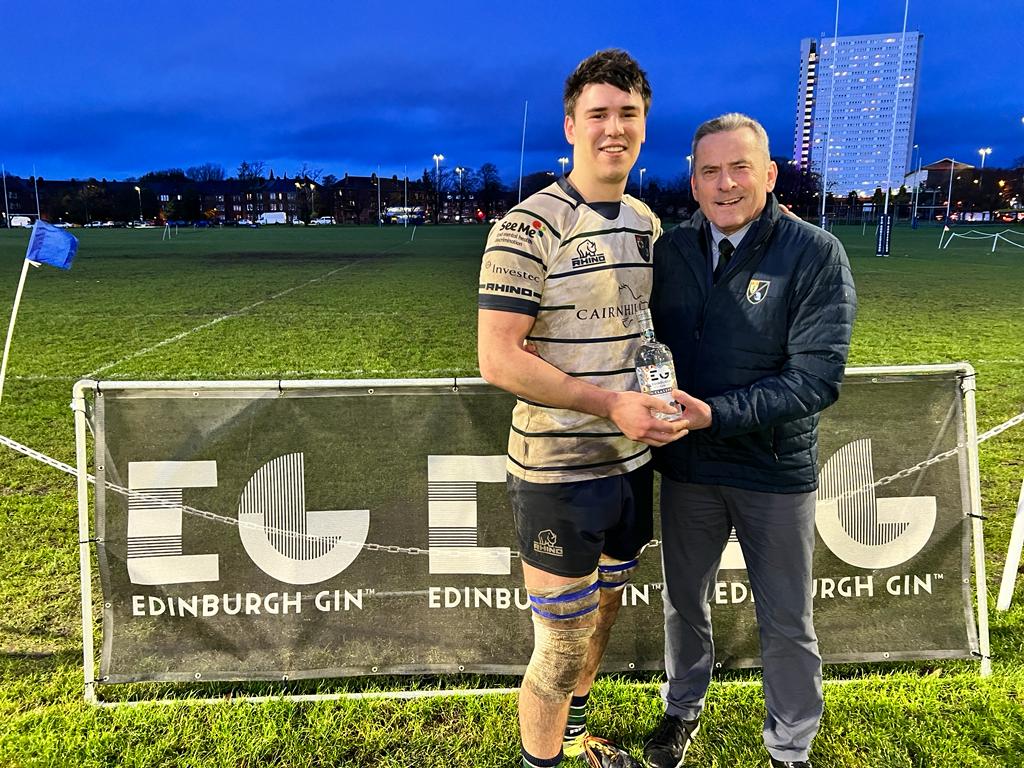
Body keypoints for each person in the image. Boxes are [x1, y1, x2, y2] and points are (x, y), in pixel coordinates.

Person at [477, 49, 687, 768]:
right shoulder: (528, 227)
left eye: (628, 114)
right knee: (562, 644)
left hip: (630, 462)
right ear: (571, 126)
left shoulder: (646, 223)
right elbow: (499, 359)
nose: (613, 128)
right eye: (598, 114)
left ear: (644, 125)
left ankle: (576, 740)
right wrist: (610, 404)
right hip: (558, 469)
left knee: (601, 618)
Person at [641, 113, 856, 768]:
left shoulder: (815, 253)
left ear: (769, 174)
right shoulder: (672, 252)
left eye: (740, 168)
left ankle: (790, 748)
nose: (725, 183)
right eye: (710, 170)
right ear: (693, 182)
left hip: (772, 470)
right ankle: (682, 710)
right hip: (689, 466)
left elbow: (815, 378)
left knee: (786, 618)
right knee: (683, 603)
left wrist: (716, 414)